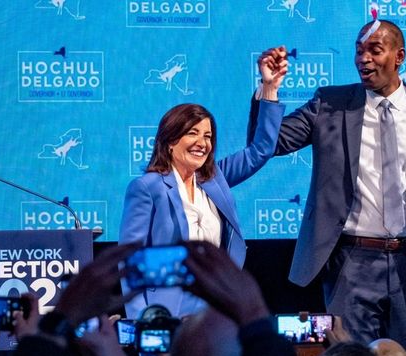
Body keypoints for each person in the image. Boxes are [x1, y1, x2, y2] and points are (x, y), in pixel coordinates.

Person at [252, 19, 406, 356]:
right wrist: (269, 89)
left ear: (399, 56)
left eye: (375, 50)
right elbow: (270, 143)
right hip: (351, 262)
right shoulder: (330, 104)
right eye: (359, 51)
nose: (364, 59)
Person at [119, 55, 288, 319]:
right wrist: (141, 319)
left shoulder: (215, 179)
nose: (202, 142)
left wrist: (269, 89)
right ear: (170, 141)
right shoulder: (147, 187)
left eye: (207, 136)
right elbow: (130, 260)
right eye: (192, 133)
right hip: (166, 311)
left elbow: (261, 151)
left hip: (218, 307)